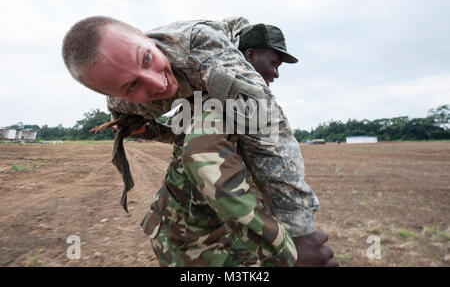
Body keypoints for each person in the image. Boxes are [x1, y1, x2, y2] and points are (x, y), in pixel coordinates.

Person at [62, 16, 338, 267]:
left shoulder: (206, 62)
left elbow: (263, 133)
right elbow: (222, 147)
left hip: (217, 239)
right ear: (247, 56)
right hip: (194, 246)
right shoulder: (207, 97)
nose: (157, 84)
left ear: (143, 36)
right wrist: (293, 246)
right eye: (132, 85)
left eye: (146, 59)